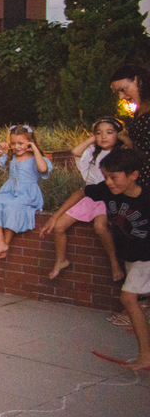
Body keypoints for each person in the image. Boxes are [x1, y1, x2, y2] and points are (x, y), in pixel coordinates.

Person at [83, 148, 150, 366]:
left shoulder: (146, 198)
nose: (109, 182)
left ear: (133, 175)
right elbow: (83, 192)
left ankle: (145, 357)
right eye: (106, 177)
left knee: (128, 298)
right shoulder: (107, 190)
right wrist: (56, 217)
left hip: (147, 257)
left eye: (114, 177)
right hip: (133, 256)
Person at [38, 118, 125, 282]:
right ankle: (61, 259)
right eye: (99, 133)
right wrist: (94, 138)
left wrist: (122, 137)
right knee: (59, 226)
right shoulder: (93, 152)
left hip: (106, 197)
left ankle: (114, 262)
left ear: (118, 135)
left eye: (109, 132)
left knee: (100, 227)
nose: (103, 136)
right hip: (89, 194)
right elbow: (76, 151)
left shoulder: (119, 154)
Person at [0, 124, 52, 259]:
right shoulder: (10, 157)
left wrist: (35, 149)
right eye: (13, 143)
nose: (17, 146)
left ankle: (5, 244)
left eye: (21, 143)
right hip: (9, 192)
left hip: (27, 194)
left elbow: (43, 169)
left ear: (30, 142)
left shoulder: (35, 158)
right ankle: (1, 242)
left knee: (13, 208)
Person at [111, 64, 150, 184]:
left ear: (139, 81)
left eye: (123, 89)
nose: (122, 96)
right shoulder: (138, 112)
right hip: (139, 179)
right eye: (118, 93)